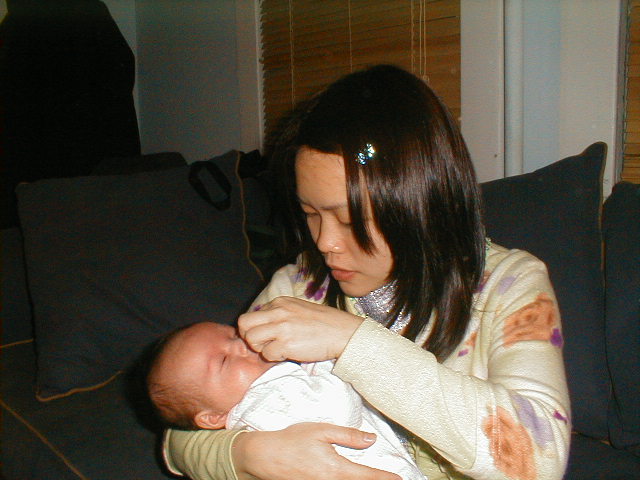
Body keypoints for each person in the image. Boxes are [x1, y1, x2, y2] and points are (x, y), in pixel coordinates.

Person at [165, 65, 571, 480]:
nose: (324, 243)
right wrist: (249, 454)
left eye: (348, 220)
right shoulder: (299, 286)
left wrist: (353, 342)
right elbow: (183, 430)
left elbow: (541, 461)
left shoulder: (510, 284)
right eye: (310, 213)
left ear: (418, 206)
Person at [146, 321, 425, 480]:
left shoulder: (259, 397)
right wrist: (329, 356)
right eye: (224, 360)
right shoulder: (267, 396)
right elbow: (337, 410)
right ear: (213, 418)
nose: (243, 344)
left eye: (233, 335)